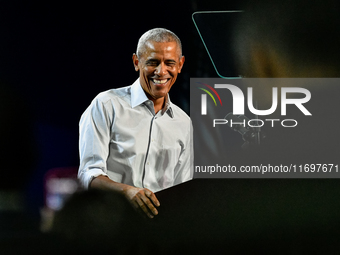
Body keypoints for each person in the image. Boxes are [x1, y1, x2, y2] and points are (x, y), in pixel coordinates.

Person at [78, 28, 193, 219]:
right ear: (136, 62)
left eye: (169, 63)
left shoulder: (183, 123)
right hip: (111, 226)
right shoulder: (106, 105)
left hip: (161, 232)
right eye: (153, 62)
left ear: (180, 64)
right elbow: (89, 175)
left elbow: (184, 188)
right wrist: (127, 192)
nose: (161, 71)